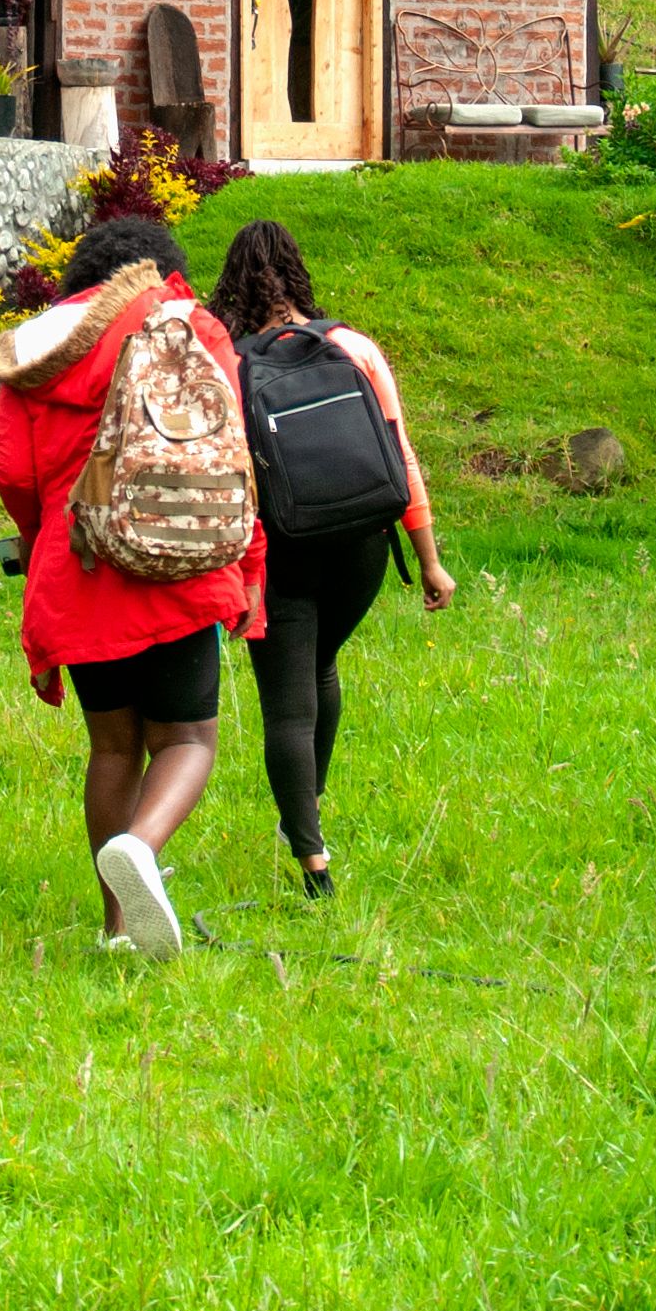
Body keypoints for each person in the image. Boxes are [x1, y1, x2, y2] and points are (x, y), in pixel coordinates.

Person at [0, 215, 258, 961]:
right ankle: (141, 847)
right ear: (161, 272)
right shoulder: (189, 325)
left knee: (113, 748)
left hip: (75, 570)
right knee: (188, 738)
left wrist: (43, 536)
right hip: (178, 562)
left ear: (80, 278)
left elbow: (13, 474)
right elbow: (234, 454)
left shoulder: (33, 349)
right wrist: (251, 565)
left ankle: (116, 929)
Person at [207, 219, 454, 899]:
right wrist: (429, 561)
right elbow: (401, 458)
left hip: (278, 552)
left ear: (231, 283)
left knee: (287, 706)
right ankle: (306, 810)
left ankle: (311, 858)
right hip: (361, 548)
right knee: (321, 664)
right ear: (298, 271)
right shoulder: (353, 347)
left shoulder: (228, 364)